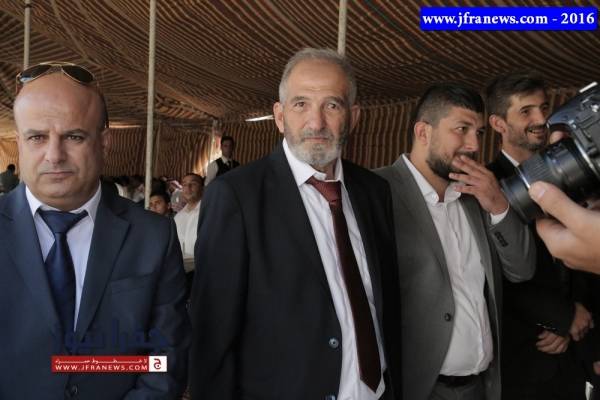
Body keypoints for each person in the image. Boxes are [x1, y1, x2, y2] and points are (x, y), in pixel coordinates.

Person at [189, 48, 400, 400]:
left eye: (332, 105)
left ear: (353, 117)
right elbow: (212, 338)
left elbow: (385, 305)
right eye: (301, 104)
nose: (316, 123)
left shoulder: (374, 192)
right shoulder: (236, 196)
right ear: (279, 116)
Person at [0, 62, 190, 399]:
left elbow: (164, 360)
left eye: (73, 136)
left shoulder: (154, 237)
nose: (54, 155)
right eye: (37, 137)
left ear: (104, 142)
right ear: (20, 142)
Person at [375, 83, 535, 400]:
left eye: (479, 133)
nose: (474, 145)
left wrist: (498, 205)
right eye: (462, 130)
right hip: (415, 389)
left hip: (481, 387)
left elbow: (522, 270)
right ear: (423, 132)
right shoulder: (375, 190)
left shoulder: (478, 197)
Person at [486, 72, 589, 399]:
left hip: (578, 354)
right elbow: (491, 270)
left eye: (544, 108)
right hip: (525, 356)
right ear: (498, 124)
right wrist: (560, 317)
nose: (541, 119)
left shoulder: (576, 171)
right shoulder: (487, 184)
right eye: (526, 111)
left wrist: (580, 323)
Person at [174, 173, 203, 295]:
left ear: (202, 188)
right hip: (182, 273)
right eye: (184, 184)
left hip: (202, 271)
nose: (188, 188)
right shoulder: (178, 217)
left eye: (193, 184)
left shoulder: (208, 212)